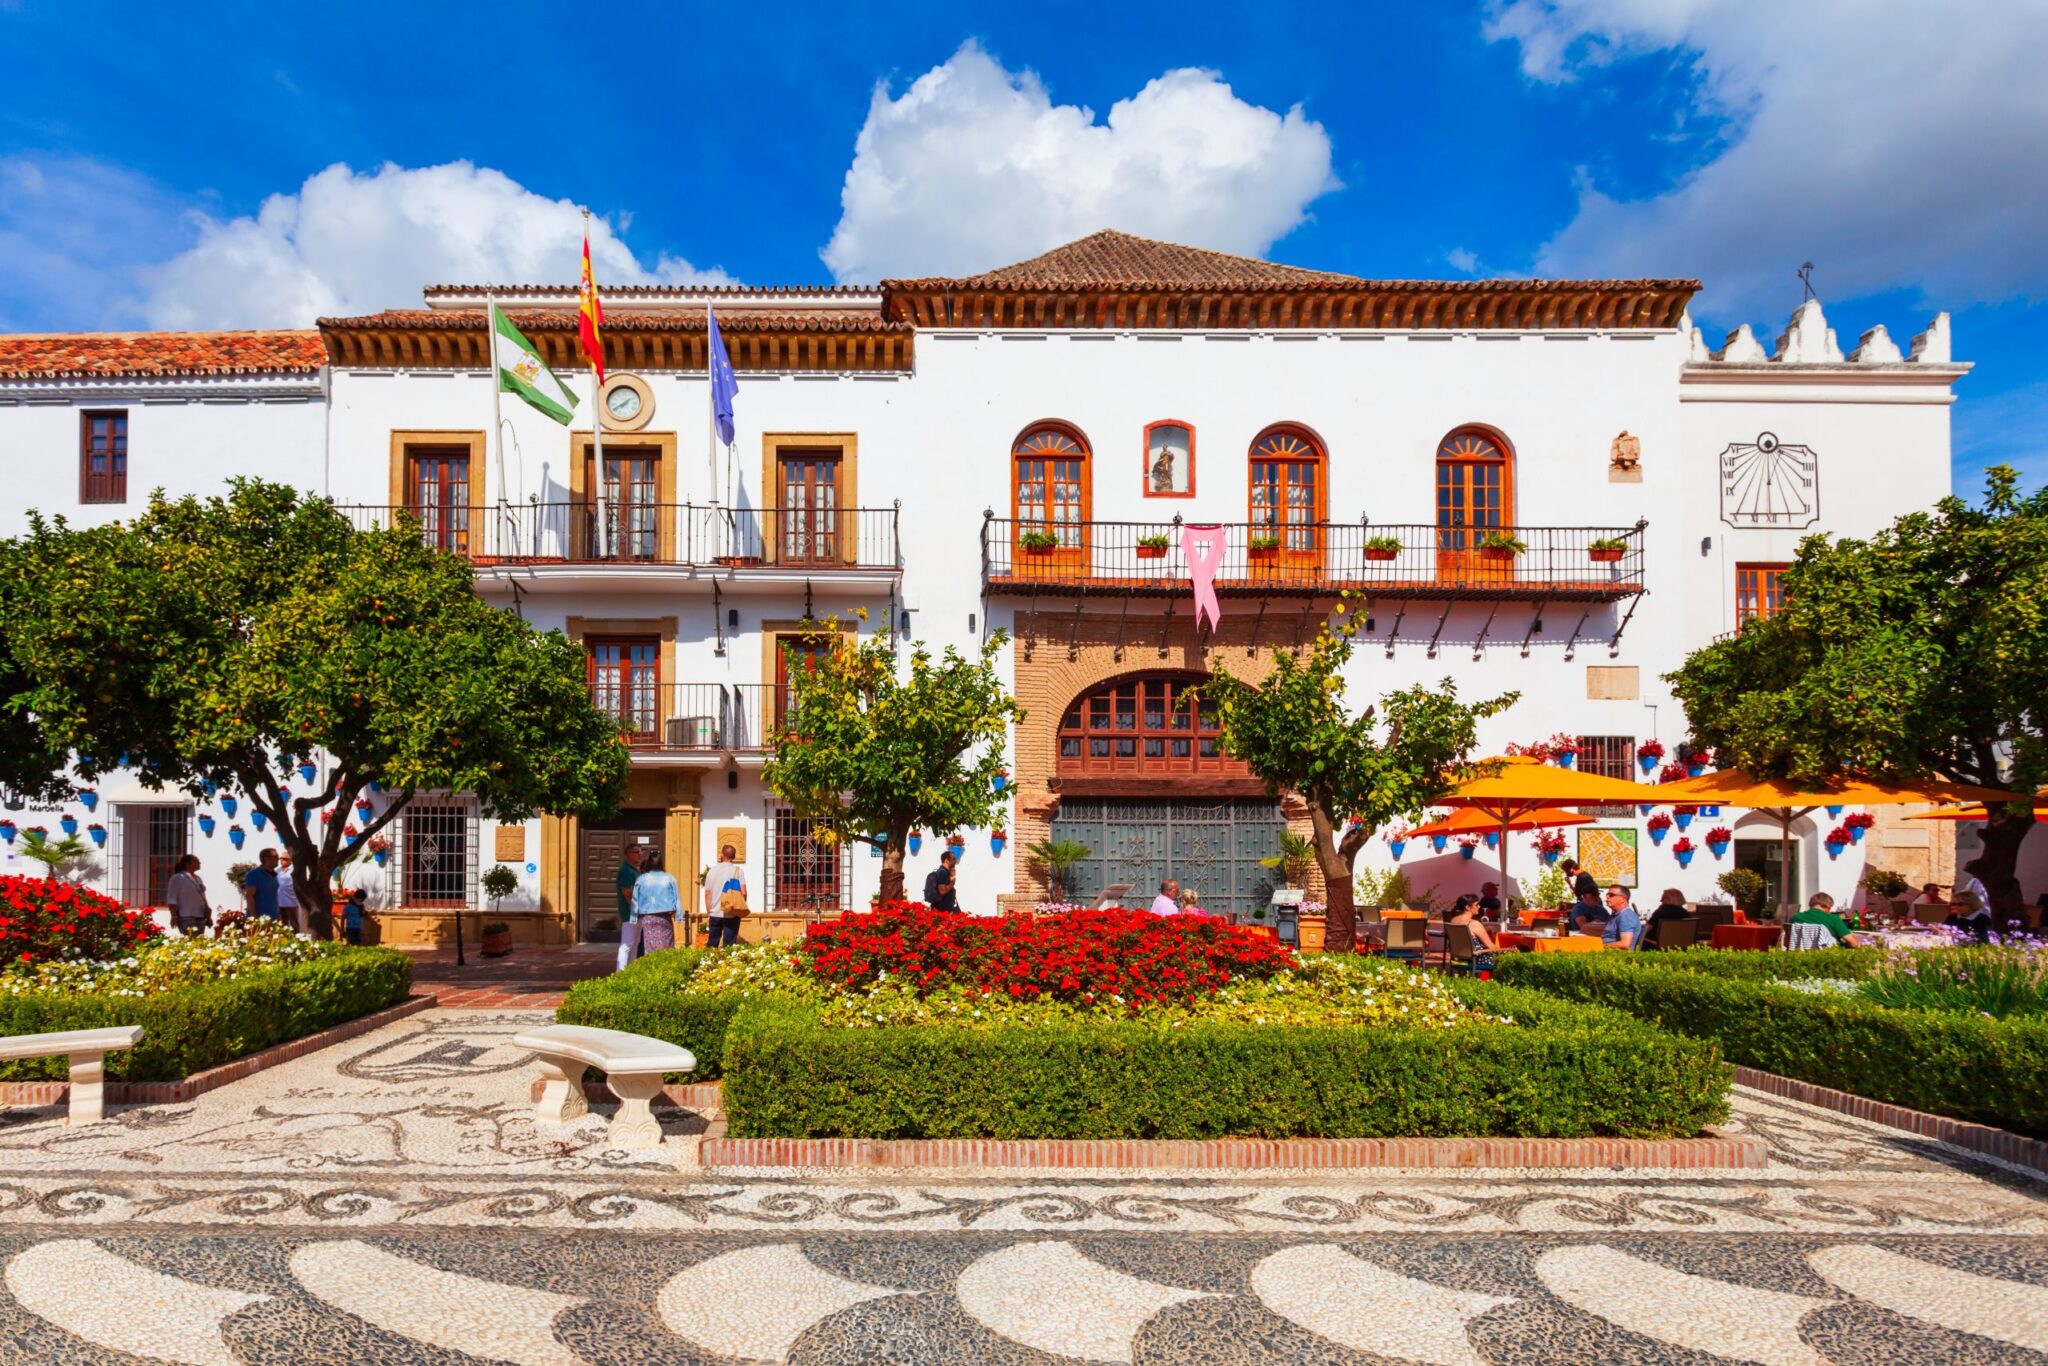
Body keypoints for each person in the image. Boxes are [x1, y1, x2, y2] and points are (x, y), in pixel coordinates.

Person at [632, 848, 681, 952]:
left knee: (650, 948)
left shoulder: (641, 879)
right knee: (666, 946)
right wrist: (679, 915)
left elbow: (635, 899)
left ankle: (653, 967)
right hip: (664, 917)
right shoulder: (669, 878)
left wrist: (633, 917)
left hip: (648, 917)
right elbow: (677, 897)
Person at [703, 843, 747, 949]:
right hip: (731, 913)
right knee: (729, 946)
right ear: (734, 857)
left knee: (712, 945)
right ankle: (727, 965)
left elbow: (707, 893)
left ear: (721, 855)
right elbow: (744, 892)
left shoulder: (712, 871)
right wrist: (739, 908)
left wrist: (709, 913)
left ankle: (708, 965)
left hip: (715, 913)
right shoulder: (738, 871)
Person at [614, 843, 646, 971]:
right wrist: (636, 910)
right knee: (627, 944)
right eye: (635, 852)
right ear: (627, 854)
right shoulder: (626, 871)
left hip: (637, 913)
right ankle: (620, 972)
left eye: (640, 852)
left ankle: (629, 971)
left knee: (635, 943)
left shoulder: (634, 870)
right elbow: (627, 893)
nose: (639, 854)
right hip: (630, 913)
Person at [1948, 859, 1994, 938]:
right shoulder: (1952, 918)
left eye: (1960, 904)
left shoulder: (1982, 920)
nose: (1955, 907)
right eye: (1953, 904)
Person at [165, 855, 210, 936]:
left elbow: (203, 897)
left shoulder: (198, 878)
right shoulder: (177, 878)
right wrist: (174, 916)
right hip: (185, 916)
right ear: (188, 864)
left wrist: (208, 914)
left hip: (200, 916)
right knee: (190, 941)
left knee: (200, 942)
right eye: (196, 861)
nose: (199, 863)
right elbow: (172, 898)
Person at [1444, 893, 1498, 958]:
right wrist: (1507, 949)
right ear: (1467, 907)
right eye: (1477, 905)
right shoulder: (1474, 924)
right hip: (1478, 959)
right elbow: (1491, 947)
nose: (1479, 906)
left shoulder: (1453, 920)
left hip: (1460, 958)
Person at [243, 848, 283, 921]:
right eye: (276, 857)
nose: (278, 859)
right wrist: (255, 918)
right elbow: (249, 896)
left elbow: (274, 896)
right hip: (259, 920)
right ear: (266, 858)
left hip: (273, 918)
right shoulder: (254, 875)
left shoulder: (274, 875)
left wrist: (278, 914)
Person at [276, 853, 301, 932]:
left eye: (285, 859)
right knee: (281, 923)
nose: (282, 860)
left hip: (291, 901)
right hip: (279, 901)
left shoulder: (294, 870)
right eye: (281, 858)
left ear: (290, 860)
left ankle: (296, 940)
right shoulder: (277, 870)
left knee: (293, 923)